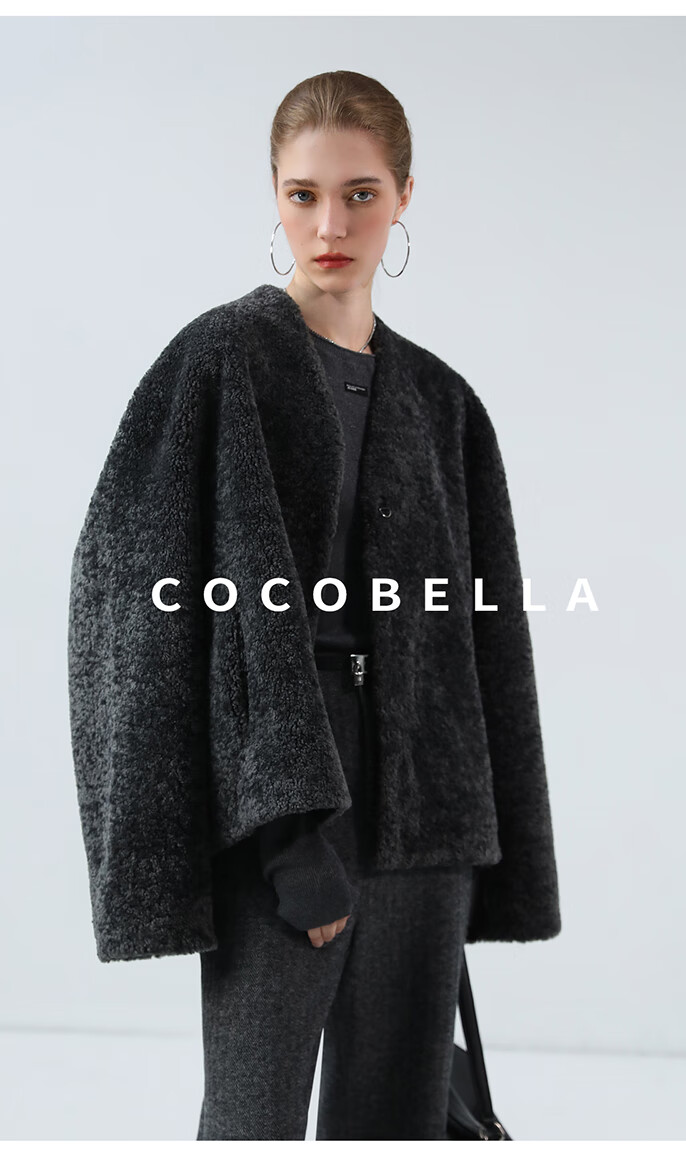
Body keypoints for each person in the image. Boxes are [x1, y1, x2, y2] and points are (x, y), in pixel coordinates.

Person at [68, 70, 561, 1141]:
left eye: (359, 194)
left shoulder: (442, 399)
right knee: (252, 1116)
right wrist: (286, 834)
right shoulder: (223, 359)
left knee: (395, 1120)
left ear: (404, 197)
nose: (330, 226)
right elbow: (127, 585)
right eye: (303, 195)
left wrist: (482, 834)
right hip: (283, 796)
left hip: (426, 807)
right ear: (275, 196)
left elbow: (484, 639)